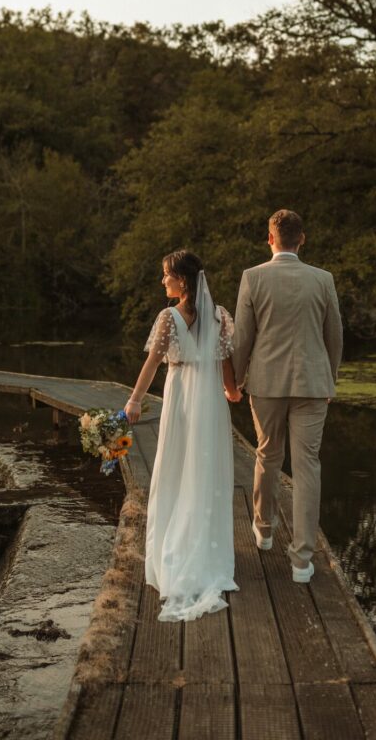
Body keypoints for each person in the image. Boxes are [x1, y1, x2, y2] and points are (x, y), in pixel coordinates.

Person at [124, 249, 241, 622]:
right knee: (205, 474)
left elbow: (153, 363)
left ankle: (176, 551)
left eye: (166, 275)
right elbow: (225, 362)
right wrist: (233, 392)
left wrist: (134, 400)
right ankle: (208, 552)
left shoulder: (168, 318)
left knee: (175, 468)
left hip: (181, 402)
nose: (163, 281)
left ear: (183, 281)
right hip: (209, 402)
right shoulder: (219, 316)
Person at [232, 209, 342, 583]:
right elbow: (335, 337)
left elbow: (242, 338)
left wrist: (234, 379)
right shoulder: (323, 280)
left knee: (268, 454)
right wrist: (330, 378)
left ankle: (263, 529)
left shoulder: (253, 278)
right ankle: (302, 561)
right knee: (308, 465)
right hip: (312, 384)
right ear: (302, 239)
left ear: (270, 239)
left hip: (265, 383)